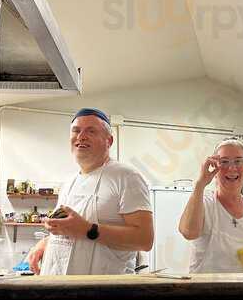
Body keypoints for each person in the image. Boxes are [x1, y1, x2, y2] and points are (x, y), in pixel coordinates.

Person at [28, 108, 154, 275]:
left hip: (103, 288)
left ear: (109, 141)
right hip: (58, 285)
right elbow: (69, 229)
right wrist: (47, 241)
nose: (81, 136)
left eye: (91, 131)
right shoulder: (69, 182)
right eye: (76, 131)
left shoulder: (126, 176)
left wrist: (87, 230)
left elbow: (144, 240)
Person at [178, 137, 243, 273]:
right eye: (224, 162)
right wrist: (200, 184)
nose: (232, 168)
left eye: (238, 161)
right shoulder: (204, 202)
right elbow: (189, 233)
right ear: (214, 167)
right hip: (207, 290)